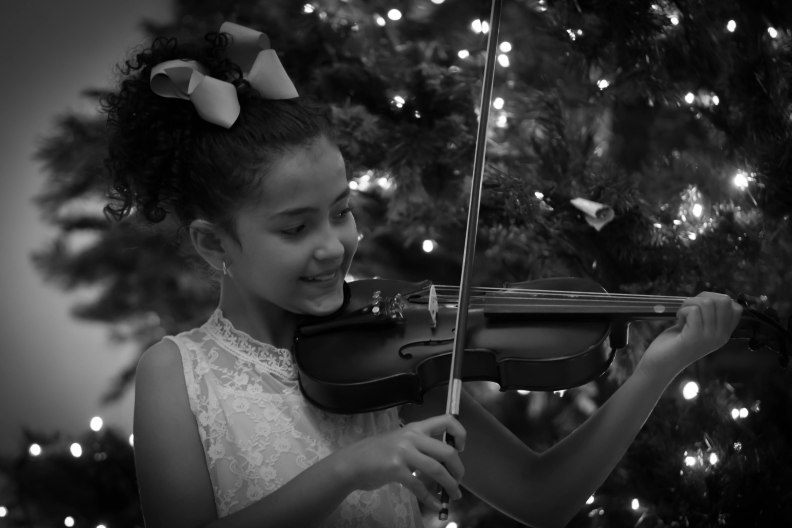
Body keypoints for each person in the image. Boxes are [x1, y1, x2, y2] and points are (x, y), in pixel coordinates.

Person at [105, 22, 743, 528]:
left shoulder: (385, 349)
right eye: (295, 229)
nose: (333, 246)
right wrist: (346, 470)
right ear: (214, 243)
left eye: (341, 212)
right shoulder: (177, 373)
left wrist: (656, 369)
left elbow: (542, 497)